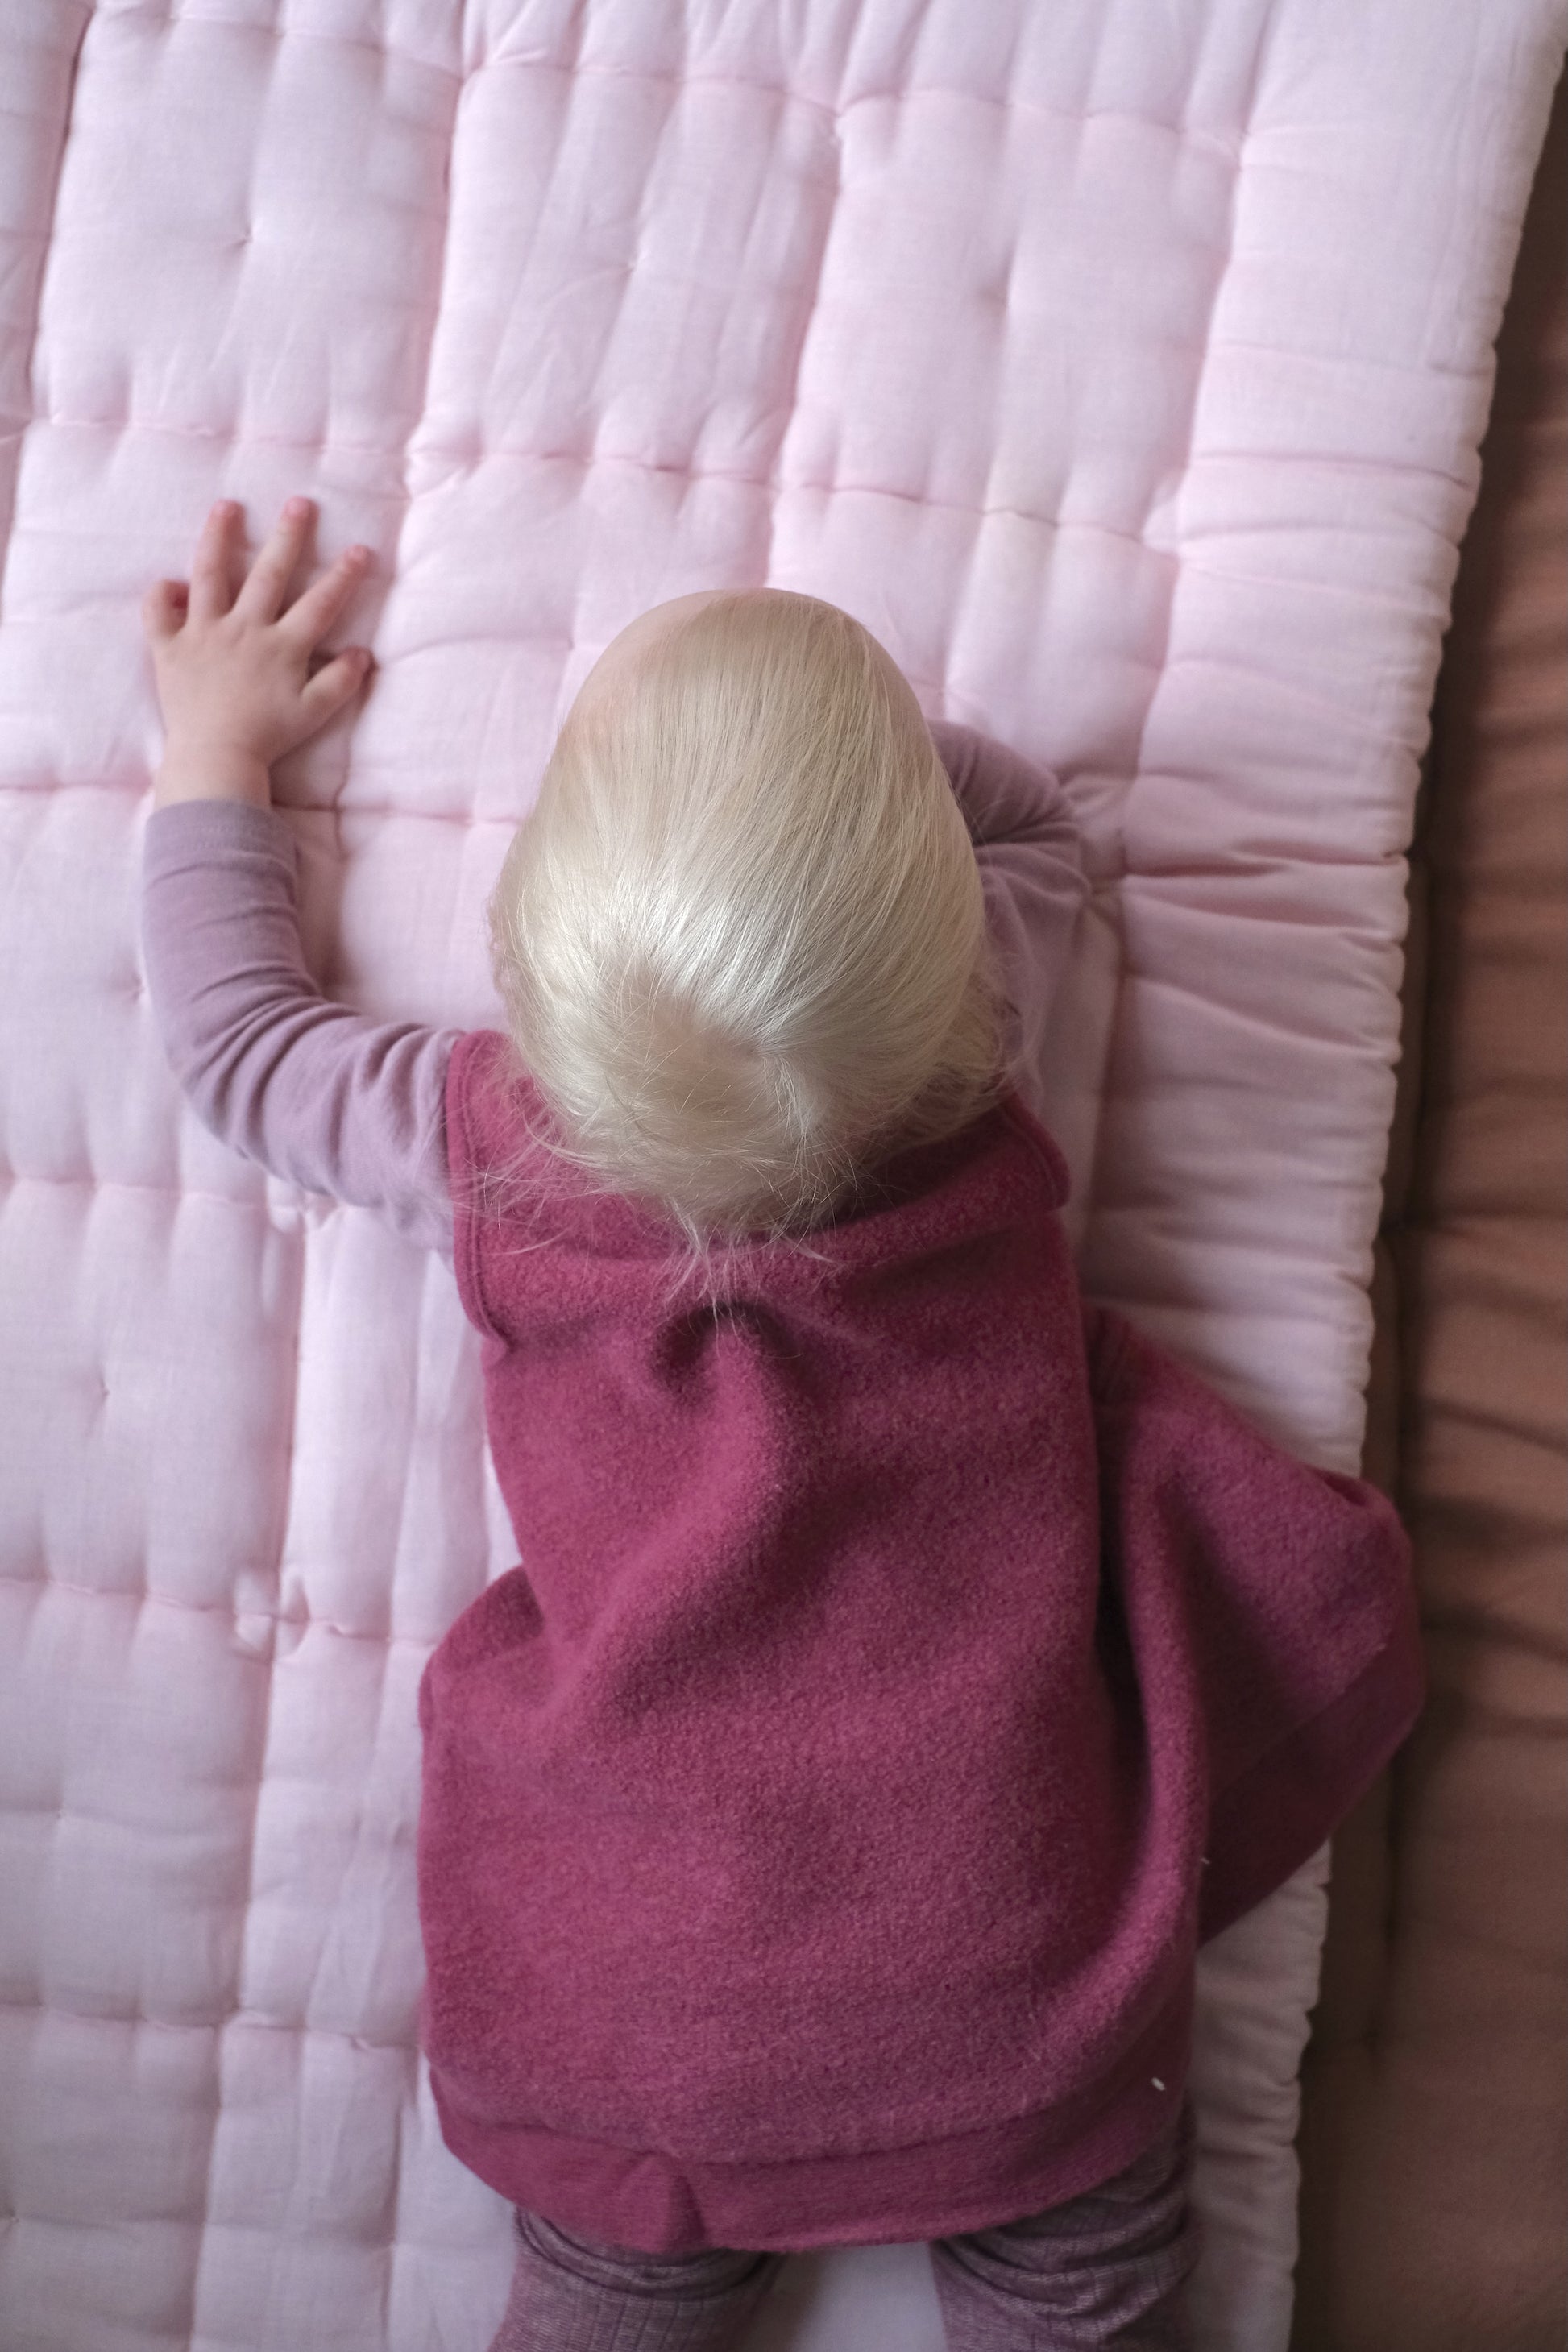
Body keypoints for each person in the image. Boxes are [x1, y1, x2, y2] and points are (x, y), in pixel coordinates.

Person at [139, 497, 1425, 2352]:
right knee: (1085, 2293)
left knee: (605, 2294)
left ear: (542, 917)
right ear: (921, 924)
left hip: (651, 2008)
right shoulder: (969, 1035)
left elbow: (240, 1046)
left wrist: (216, 750)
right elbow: (1035, 827)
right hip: (1015, 1969)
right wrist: (864, 782)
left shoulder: (484, 1135)